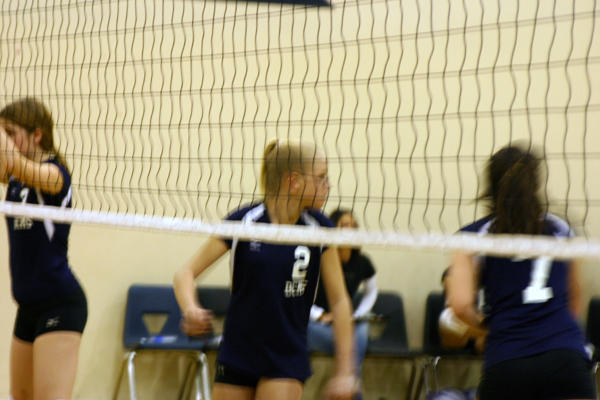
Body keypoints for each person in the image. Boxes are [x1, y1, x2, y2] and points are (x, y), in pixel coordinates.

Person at [173, 139, 357, 400]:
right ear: (294, 182)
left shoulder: (320, 228)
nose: (327, 185)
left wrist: (345, 371)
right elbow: (185, 274)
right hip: (238, 351)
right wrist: (190, 308)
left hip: (286, 356)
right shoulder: (244, 221)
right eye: (321, 177)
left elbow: (339, 301)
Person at [447, 145, 596, 400]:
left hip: (507, 360)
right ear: (535, 184)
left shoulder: (470, 238)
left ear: (490, 186)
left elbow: (460, 307)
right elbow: (574, 302)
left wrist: (492, 330)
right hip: (566, 357)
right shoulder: (562, 228)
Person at [0, 98, 87, 400]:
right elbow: (9, 164)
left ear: (36, 135)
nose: (5, 140)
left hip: (59, 303)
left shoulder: (54, 175)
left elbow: (16, 163)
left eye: (10, 133)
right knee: (21, 395)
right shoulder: (14, 178)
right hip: (27, 305)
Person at [307, 208, 377, 400]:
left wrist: (357, 314)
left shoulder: (362, 261)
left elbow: (372, 292)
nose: (350, 228)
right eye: (344, 224)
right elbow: (301, 295)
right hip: (315, 323)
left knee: (360, 329)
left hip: (343, 323)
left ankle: (345, 381)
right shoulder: (320, 257)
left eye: (353, 225)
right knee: (350, 341)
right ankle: (351, 388)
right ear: (333, 228)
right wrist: (320, 315)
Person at [438, 267, 486, 353]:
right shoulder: (452, 273)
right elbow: (454, 305)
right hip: (460, 330)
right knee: (449, 317)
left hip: (482, 329)